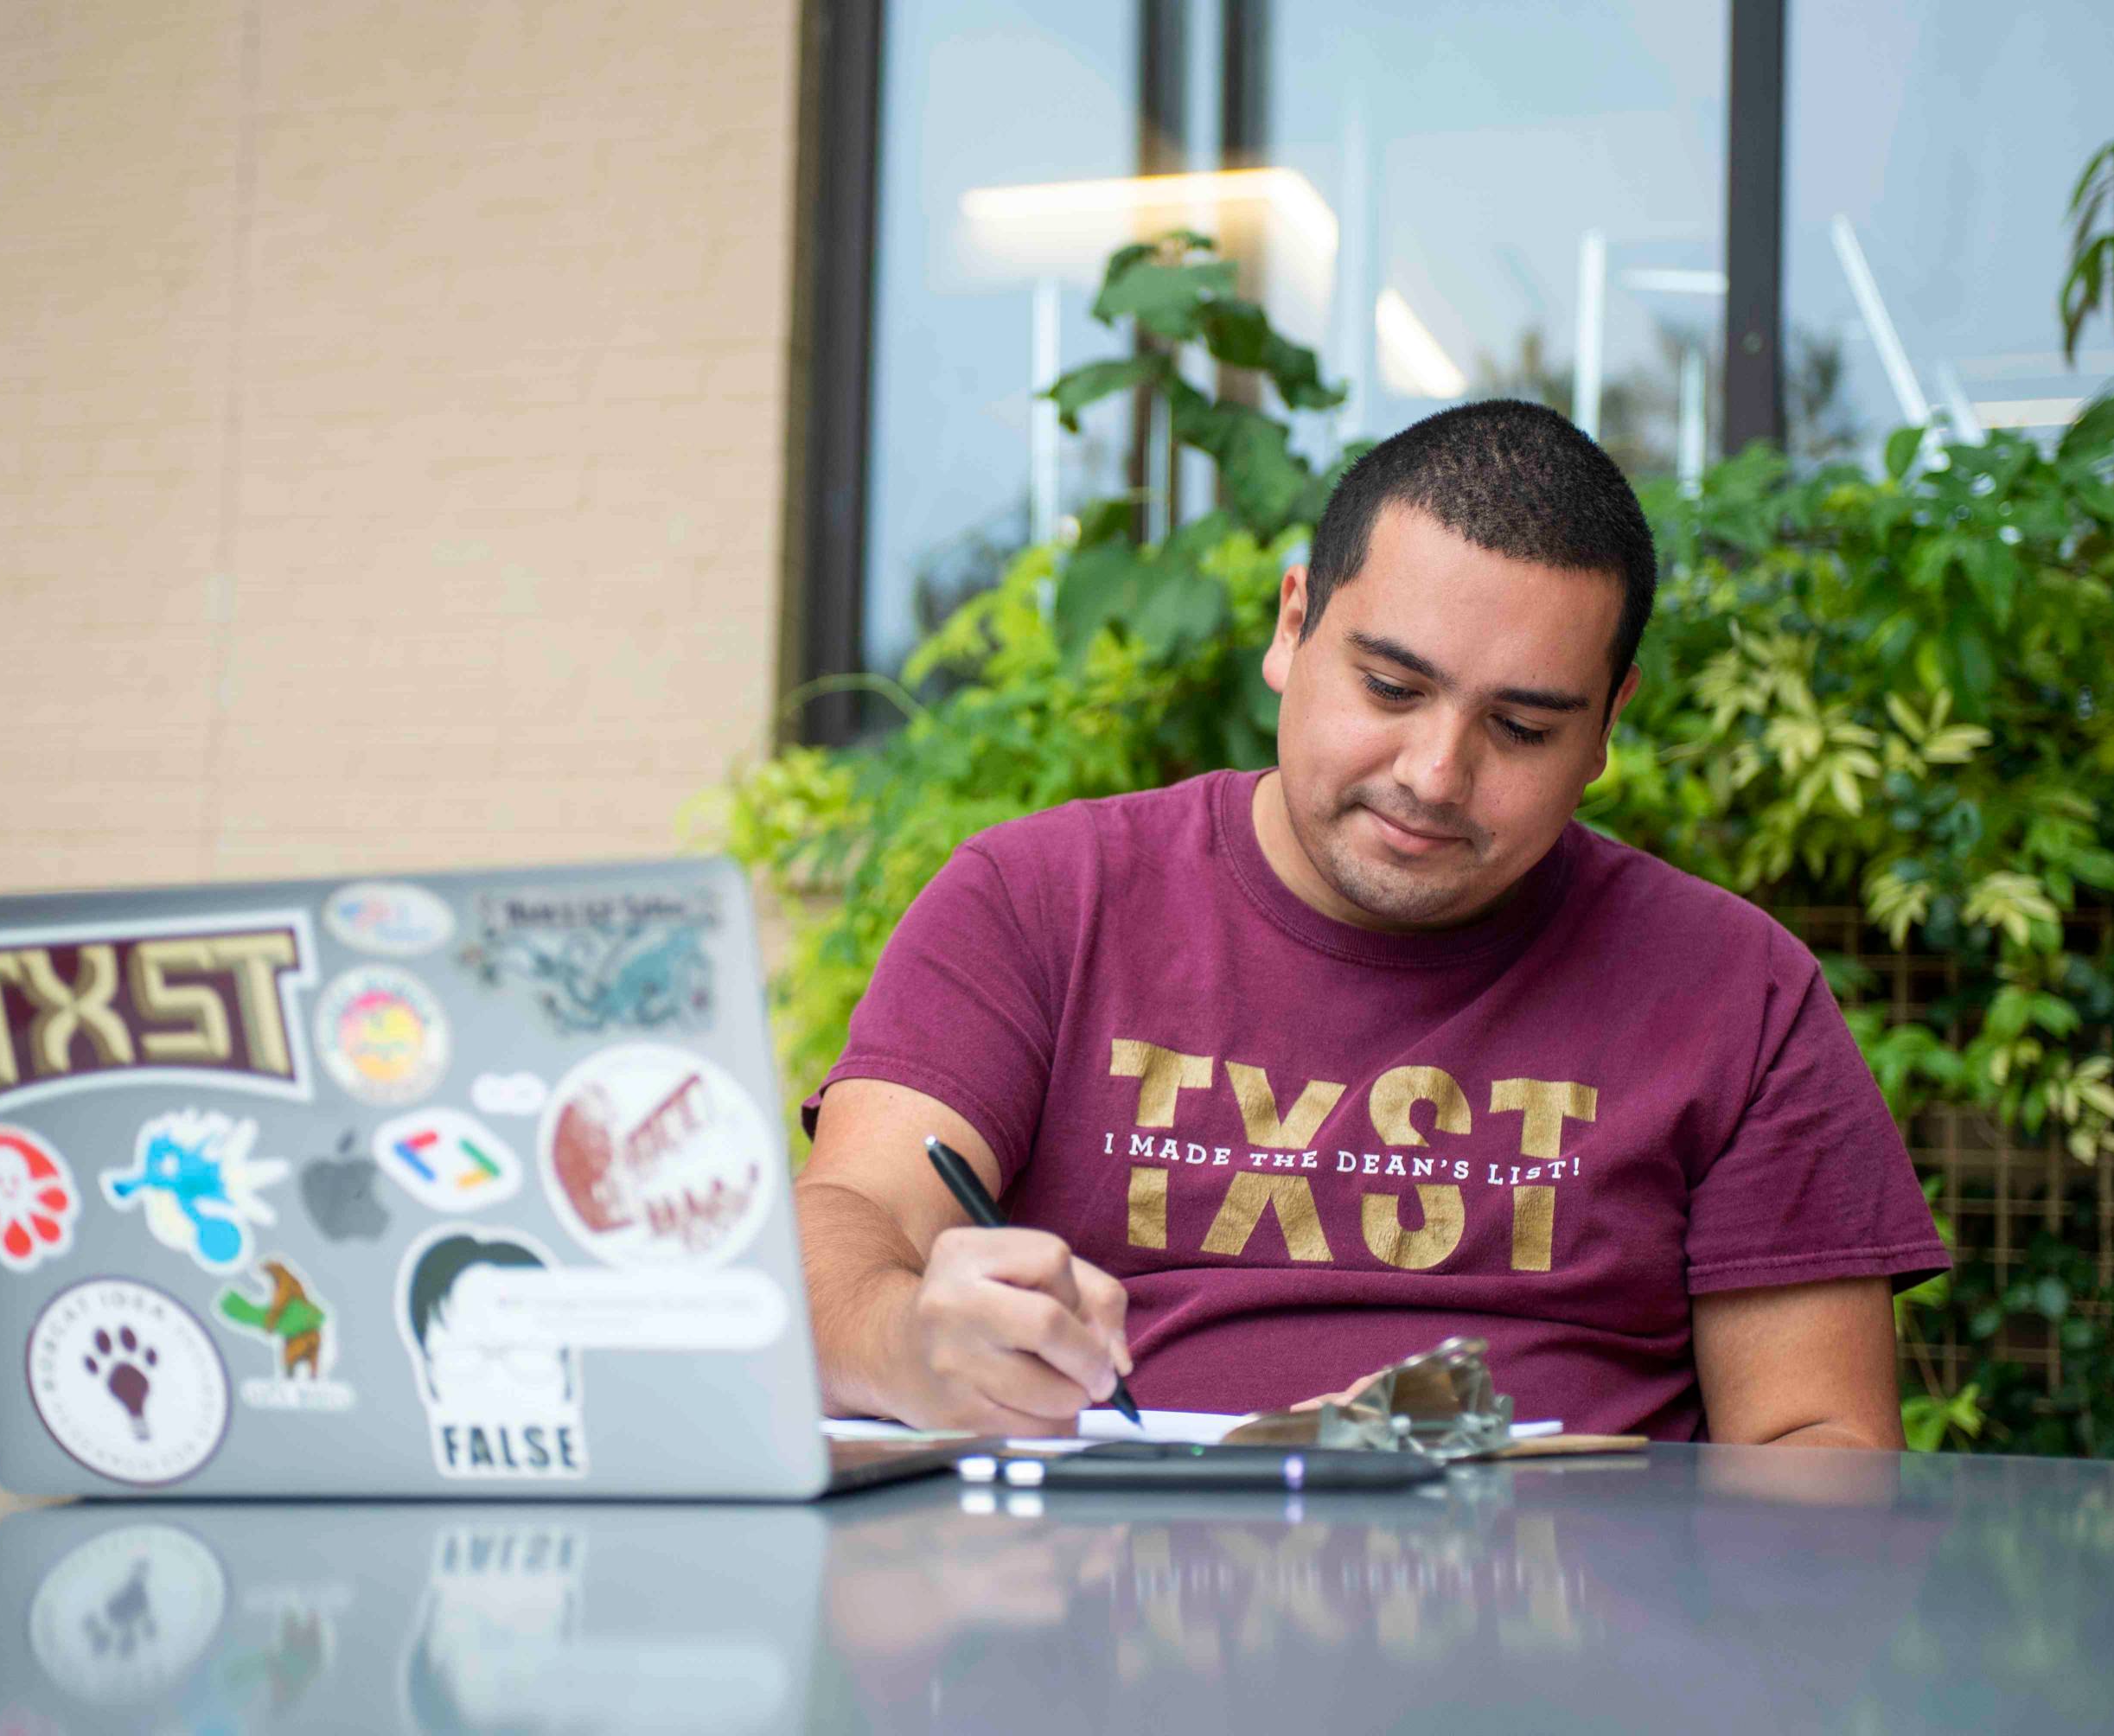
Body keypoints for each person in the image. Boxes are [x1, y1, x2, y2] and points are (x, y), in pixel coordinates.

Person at [795, 399, 1945, 1446]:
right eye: (1392, 690)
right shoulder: (1046, 898)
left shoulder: (1736, 992)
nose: (1437, 775)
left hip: (1574, 1645)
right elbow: (838, 1229)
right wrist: (906, 1343)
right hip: (1110, 1617)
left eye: (1525, 729)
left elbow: (1823, 1459)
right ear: (1294, 625)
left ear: (1607, 727)